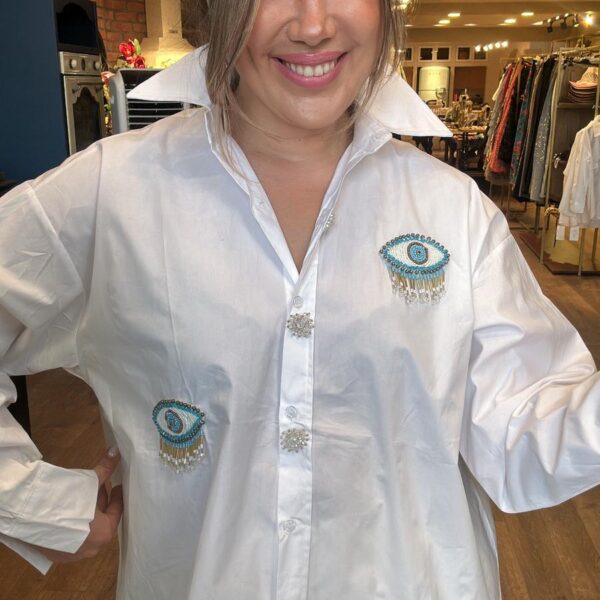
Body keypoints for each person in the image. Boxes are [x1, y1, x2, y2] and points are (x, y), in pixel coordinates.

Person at [0, 0, 599, 598]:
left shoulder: (452, 211)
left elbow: (523, 429)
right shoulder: (113, 193)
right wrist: (36, 504)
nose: (313, 26)